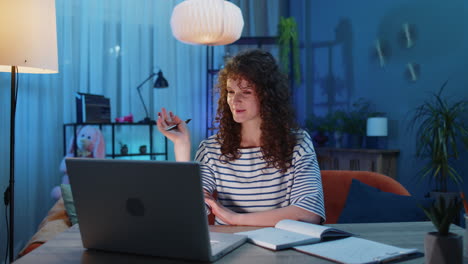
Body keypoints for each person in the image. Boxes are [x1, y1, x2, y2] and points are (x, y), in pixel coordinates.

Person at [157, 49, 325, 226]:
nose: (235, 101)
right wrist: (182, 145)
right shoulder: (211, 149)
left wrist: (235, 218)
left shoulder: (298, 143)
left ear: (268, 96)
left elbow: (309, 213)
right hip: (229, 248)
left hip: (282, 246)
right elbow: (190, 211)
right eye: (230, 91)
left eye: (246, 92)